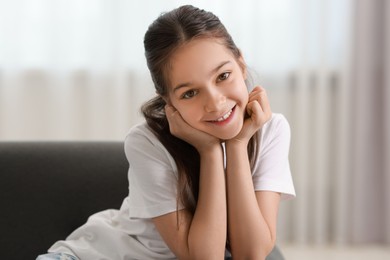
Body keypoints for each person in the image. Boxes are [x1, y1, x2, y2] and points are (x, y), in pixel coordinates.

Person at [37, 5, 295, 260]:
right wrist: (210, 151)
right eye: (190, 93)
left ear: (241, 63)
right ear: (168, 101)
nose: (215, 103)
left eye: (223, 75)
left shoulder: (270, 129)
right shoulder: (145, 142)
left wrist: (238, 145)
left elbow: (251, 254)